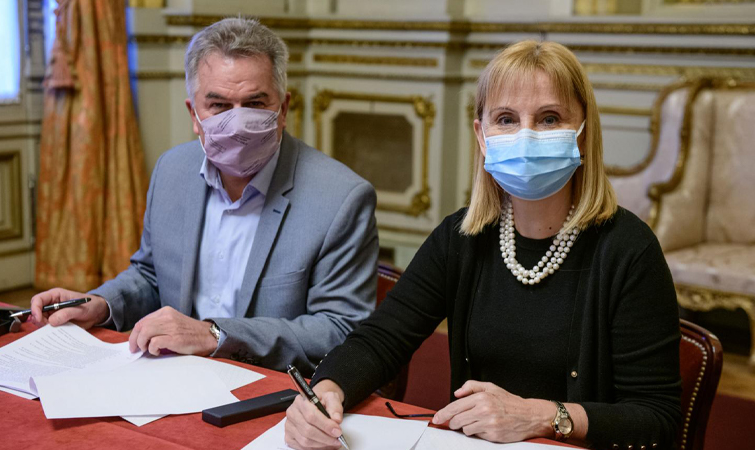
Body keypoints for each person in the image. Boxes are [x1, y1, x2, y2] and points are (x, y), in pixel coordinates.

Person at [285, 40, 681, 450]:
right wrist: (326, 390)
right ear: (482, 136)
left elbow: (657, 417)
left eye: (549, 118)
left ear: (583, 133)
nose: (526, 135)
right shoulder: (461, 238)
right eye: (506, 119)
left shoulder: (629, 251)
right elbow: (381, 340)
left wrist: (543, 416)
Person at [30, 18, 378, 376]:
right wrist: (101, 304)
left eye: (255, 103)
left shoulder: (340, 199)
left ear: (283, 109)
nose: (238, 122)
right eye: (219, 106)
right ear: (194, 115)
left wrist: (215, 336)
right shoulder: (172, 171)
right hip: (171, 374)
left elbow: (340, 329)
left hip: (270, 389)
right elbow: (152, 276)